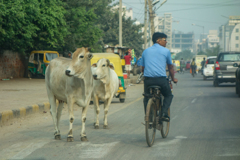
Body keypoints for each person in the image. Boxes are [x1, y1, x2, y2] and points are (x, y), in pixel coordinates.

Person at [142, 32, 178, 122]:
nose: (166, 42)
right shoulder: (166, 51)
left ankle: (149, 118)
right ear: (158, 40)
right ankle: (164, 113)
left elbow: (142, 68)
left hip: (148, 81)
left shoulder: (145, 51)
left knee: (146, 97)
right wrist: (173, 79)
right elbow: (170, 67)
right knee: (168, 95)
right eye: (164, 40)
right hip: (161, 80)